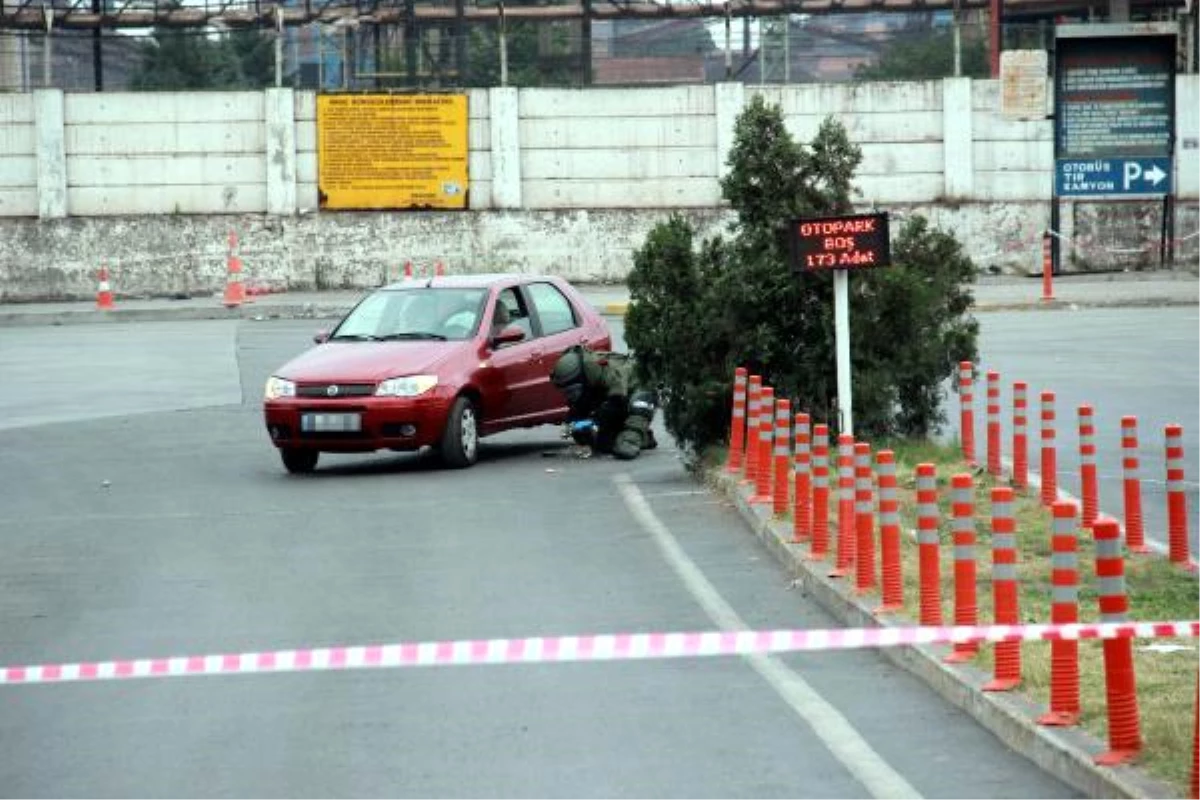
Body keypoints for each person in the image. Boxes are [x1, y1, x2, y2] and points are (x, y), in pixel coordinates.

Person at [549, 345, 658, 460]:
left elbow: (617, 401)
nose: (571, 396)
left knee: (640, 402)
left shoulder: (606, 372)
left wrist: (598, 417)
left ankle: (630, 441)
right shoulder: (589, 380)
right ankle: (644, 438)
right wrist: (578, 426)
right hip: (615, 398)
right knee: (603, 444)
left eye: (573, 391)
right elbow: (581, 410)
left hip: (637, 387)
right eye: (567, 392)